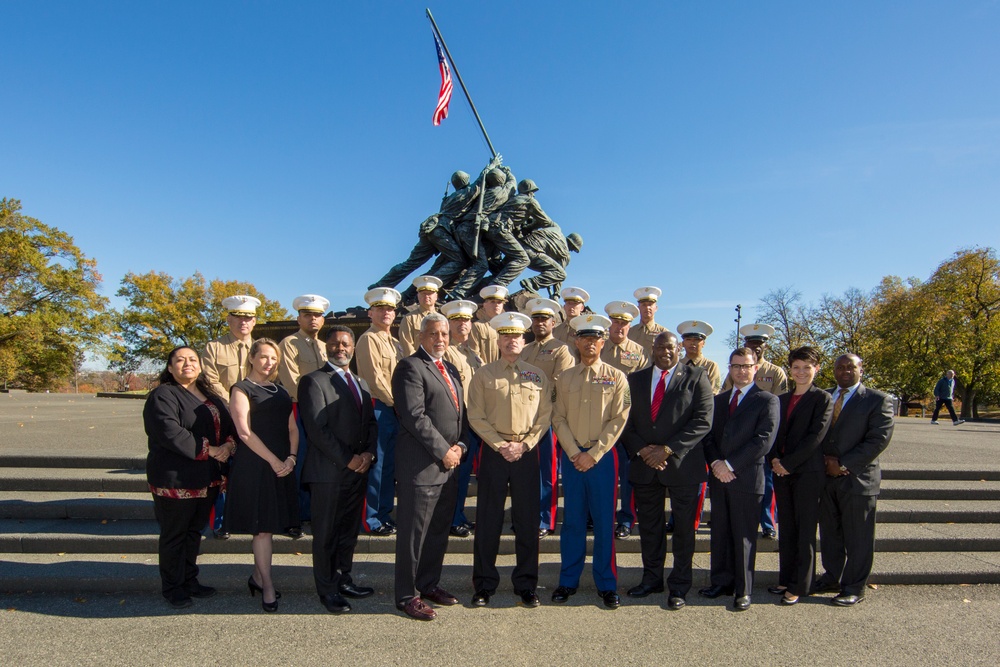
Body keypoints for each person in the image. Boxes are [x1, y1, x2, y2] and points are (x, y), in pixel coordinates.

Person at [621, 331, 714, 610]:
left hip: (682, 465)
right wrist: (644, 450)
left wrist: (667, 449)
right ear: (653, 348)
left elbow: (703, 420)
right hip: (645, 465)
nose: (665, 352)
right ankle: (651, 580)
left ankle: (679, 586)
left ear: (679, 348)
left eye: (670, 347)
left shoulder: (697, 376)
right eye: (660, 347)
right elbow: (622, 418)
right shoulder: (634, 379)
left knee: (684, 529)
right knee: (649, 528)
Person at [467, 312, 552, 608]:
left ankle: (526, 585)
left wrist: (524, 444)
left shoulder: (537, 375)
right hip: (494, 451)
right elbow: (475, 415)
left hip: (526, 454)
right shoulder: (484, 374)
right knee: (488, 521)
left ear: (524, 339)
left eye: (516, 336)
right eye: (505, 336)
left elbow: (545, 417)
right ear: (498, 340)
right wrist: (501, 443)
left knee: (527, 521)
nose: (511, 341)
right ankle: (484, 585)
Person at [143, 346, 236, 608]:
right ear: (170, 368)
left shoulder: (210, 395)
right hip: (176, 478)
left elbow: (229, 426)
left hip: (207, 478)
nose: (188, 364)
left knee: (194, 532)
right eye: (180, 360)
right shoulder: (163, 395)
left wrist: (229, 446)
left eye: (193, 360)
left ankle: (189, 579)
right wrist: (212, 449)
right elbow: (170, 432)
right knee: (175, 534)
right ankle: (173, 587)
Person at [392, 313, 468, 621]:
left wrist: (461, 446)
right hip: (422, 467)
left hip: (450, 465)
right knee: (414, 536)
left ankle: (428, 584)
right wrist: (442, 451)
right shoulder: (410, 367)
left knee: (437, 532)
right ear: (421, 337)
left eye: (445, 334)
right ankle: (407, 595)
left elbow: (461, 415)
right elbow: (414, 417)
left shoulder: (449, 368)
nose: (440, 339)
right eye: (434, 334)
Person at [551, 314, 631, 610]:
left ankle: (607, 584)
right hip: (572, 459)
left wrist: (594, 453)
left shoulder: (616, 376)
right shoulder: (564, 377)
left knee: (603, 523)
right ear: (576, 341)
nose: (590, 343)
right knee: (572, 522)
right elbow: (557, 416)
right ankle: (567, 581)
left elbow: (619, 418)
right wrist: (574, 452)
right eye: (584, 337)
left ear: (603, 341)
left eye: (595, 338)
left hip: (602, 459)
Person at [298, 325, 378, 614]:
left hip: (357, 472)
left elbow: (370, 423)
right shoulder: (313, 381)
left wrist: (368, 454)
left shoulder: (361, 382)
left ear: (353, 348)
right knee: (326, 534)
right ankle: (328, 590)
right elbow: (317, 430)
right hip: (329, 472)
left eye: (345, 344)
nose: (340, 348)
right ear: (326, 347)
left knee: (347, 532)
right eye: (334, 344)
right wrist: (348, 459)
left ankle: (344, 579)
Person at [698, 348, 779, 612]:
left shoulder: (767, 400)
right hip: (719, 477)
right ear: (730, 369)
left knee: (744, 536)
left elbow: (763, 440)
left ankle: (743, 590)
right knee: (720, 533)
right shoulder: (719, 401)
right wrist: (716, 464)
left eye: (746, 366)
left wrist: (730, 465)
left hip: (746, 477)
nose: (741, 371)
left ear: (756, 368)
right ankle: (721, 582)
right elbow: (708, 438)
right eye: (736, 366)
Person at [224, 338, 299, 613]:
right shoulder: (241, 389)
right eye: (264, 357)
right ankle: (267, 584)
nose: (269, 363)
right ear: (252, 358)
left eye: (273, 359)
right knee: (262, 528)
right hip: (256, 465)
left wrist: (291, 458)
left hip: (282, 465)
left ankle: (257, 577)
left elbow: (292, 428)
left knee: (268, 524)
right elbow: (244, 432)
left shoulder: (280, 391)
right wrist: (274, 461)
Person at [814, 353, 894, 607]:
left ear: (861, 369)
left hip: (858, 479)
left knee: (858, 536)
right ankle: (832, 577)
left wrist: (844, 464)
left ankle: (854, 586)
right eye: (840, 367)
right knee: (830, 533)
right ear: (833, 371)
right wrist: (823, 461)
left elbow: (878, 439)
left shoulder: (877, 400)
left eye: (851, 367)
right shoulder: (823, 396)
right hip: (825, 478)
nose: (845, 371)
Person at [767, 346, 834, 605]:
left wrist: (788, 464)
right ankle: (786, 577)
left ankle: (800, 585)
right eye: (796, 367)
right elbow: (771, 432)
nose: (802, 372)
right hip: (781, 471)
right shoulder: (781, 399)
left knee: (805, 529)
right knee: (787, 528)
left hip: (807, 472)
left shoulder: (822, 399)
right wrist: (774, 459)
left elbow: (815, 437)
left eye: (807, 367)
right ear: (790, 370)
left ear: (816, 369)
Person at [721, 323, 789, 540]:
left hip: (762, 438)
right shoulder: (733, 372)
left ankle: (768, 522)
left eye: (760, 345)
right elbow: (725, 401)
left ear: (765, 347)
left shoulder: (775, 372)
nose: (757, 348)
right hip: (735, 439)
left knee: (766, 483)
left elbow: (781, 404)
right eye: (752, 344)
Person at [201, 294, 260, 539]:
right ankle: (221, 521)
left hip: (254, 418)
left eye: (248, 318)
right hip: (223, 415)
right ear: (228, 319)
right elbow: (209, 380)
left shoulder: (262, 348)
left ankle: (247, 517)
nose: (243, 322)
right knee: (221, 469)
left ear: (254, 321)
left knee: (251, 470)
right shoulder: (214, 348)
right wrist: (232, 403)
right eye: (237, 317)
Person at [520, 297, 575, 537]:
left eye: (544, 319)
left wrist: (528, 387)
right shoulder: (524, 350)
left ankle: (546, 519)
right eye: (536, 319)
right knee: (526, 472)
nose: (539, 323)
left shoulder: (562, 349)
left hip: (548, 419)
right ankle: (527, 515)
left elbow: (559, 382)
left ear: (553, 323)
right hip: (522, 418)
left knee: (547, 472)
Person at [277, 293, 330, 536]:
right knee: (298, 465)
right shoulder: (289, 343)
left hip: (325, 413)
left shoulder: (325, 346)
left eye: (318, 315)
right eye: (308, 315)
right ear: (298, 318)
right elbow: (291, 381)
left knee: (318, 465)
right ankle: (293, 518)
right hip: (300, 410)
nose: (313, 319)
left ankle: (311, 514)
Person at [355, 287, 404, 536]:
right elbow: (374, 378)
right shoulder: (368, 339)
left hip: (395, 410)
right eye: (380, 308)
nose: (386, 312)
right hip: (380, 407)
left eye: (390, 308)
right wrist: (397, 404)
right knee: (377, 466)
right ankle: (370, 519)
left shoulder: (395, 343)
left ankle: (384, 514)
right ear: (370, 312)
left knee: (389, 467)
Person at [600, 301, 648, 540]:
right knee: (602, 472)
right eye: (615, 323)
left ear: (630, 326)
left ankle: (627, 519)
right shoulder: (598, 347)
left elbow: (643, 389)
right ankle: (600, 516)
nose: (619, 327)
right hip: (600, 420)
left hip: (628, 422)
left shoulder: (638, 352)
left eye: (624, 324)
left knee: (628, 474)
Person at [440, 299, 486, 537]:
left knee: (463, 475)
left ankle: (458, 515)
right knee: (454, 475)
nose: (462, 324)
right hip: (456, 423)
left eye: (466, 320)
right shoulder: (445, 353)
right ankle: (451, 519)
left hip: (473, 422)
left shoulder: (474, 355)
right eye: (456, 320)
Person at [398, 275, 443, 356]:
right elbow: (407, 346)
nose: (426, 296)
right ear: (418, 296)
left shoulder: (442, 320)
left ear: (436, 296)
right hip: (418, 365)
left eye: (430, 293)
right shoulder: (409, 318)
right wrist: (418, 365)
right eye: (423, 293)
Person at [677, 320, 722, 394]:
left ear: (703, 343)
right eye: (688, 339)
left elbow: (713, 391)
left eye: (697, 340)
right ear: (683, 343)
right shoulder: (677, 365)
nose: (692, 343)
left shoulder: (711, 366)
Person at [468, 285, 506, 364]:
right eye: (492, 302)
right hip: (485, 371)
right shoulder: (477, 326)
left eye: (499, 302)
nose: (496, 305)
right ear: (485, 305)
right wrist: (486, 371)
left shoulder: (507, 327)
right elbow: (474, 353)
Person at [627, 286, 666, 356]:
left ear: (656, 308)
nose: (647, 308)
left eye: (650, 305)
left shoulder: (664, 333)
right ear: (638, 308)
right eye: (644, 305)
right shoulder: (629, 332)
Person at [552, 287, 589, 351]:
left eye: (575, 303)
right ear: (564, 307)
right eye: (568, 303)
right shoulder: (556, 331)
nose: (571, 307)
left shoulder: (587, 329)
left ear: (582, 308)